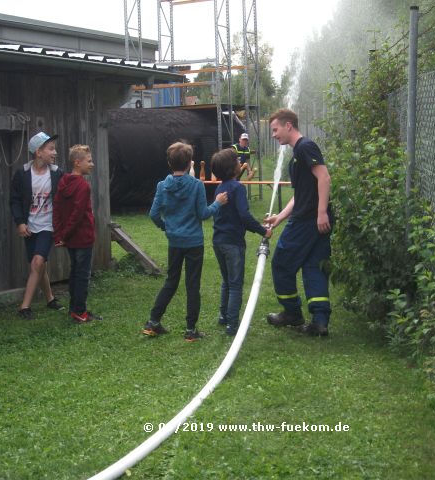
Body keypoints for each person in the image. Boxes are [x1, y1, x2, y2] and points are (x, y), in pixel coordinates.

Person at [142, 142, 228, 342]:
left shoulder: (162, 186)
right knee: (192, 285)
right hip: (193, 243)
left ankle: (153, 322)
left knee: (171, 281)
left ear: (169, 164)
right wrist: (218, 203)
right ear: (190, 163)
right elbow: (203, 213)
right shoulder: (196, 185)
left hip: (175, 242)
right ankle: (190, 331)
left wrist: (166, 227)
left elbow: (154, 214)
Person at [264, 108, 333, 337]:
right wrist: (280, 217)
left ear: (288, 126)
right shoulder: (296, 156)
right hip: (314, 220)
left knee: (282, 263)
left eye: (275, 129)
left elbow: (324, 177)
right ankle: (319, 322)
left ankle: (292, 313)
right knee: (314, 266)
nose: (274, 135)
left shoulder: (305, 147)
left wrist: (321, 212)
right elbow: (301, 194)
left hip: (308, 221)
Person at [211, 148, 272, 336]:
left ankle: (223, 316)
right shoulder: (237, 188)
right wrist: (263, 231)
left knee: (226, 281)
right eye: (238, 161)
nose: (241, 163)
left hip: (218, 241)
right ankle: (232, 325)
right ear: (232, 168)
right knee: (236, 284)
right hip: (233, 244)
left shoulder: (220, 188)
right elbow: (244, 216)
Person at [10, 132, 65, 320]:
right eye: (51, 148)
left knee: (37, 263)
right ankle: (50, 299)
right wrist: (20, 222)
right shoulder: (22, 174)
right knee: (39, 265)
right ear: (38, 152)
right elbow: (14, 200)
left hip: (48, 226)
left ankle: (24, 307)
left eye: (54, 148)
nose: (55, 152)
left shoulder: (58, 173)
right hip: (29, 226)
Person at [52, 145, 102, 324]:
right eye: (89, 161)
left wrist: (59, 235)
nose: (92, 164)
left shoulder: (63, 182)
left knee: (75, 273)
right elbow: (77, 214)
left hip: (70, 240)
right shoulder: (83, 186)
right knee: (82, 275)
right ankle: (80, 312)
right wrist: (63, 235)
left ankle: (75, 309)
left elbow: (56, 209)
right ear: (77, 162)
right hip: (82, 237)